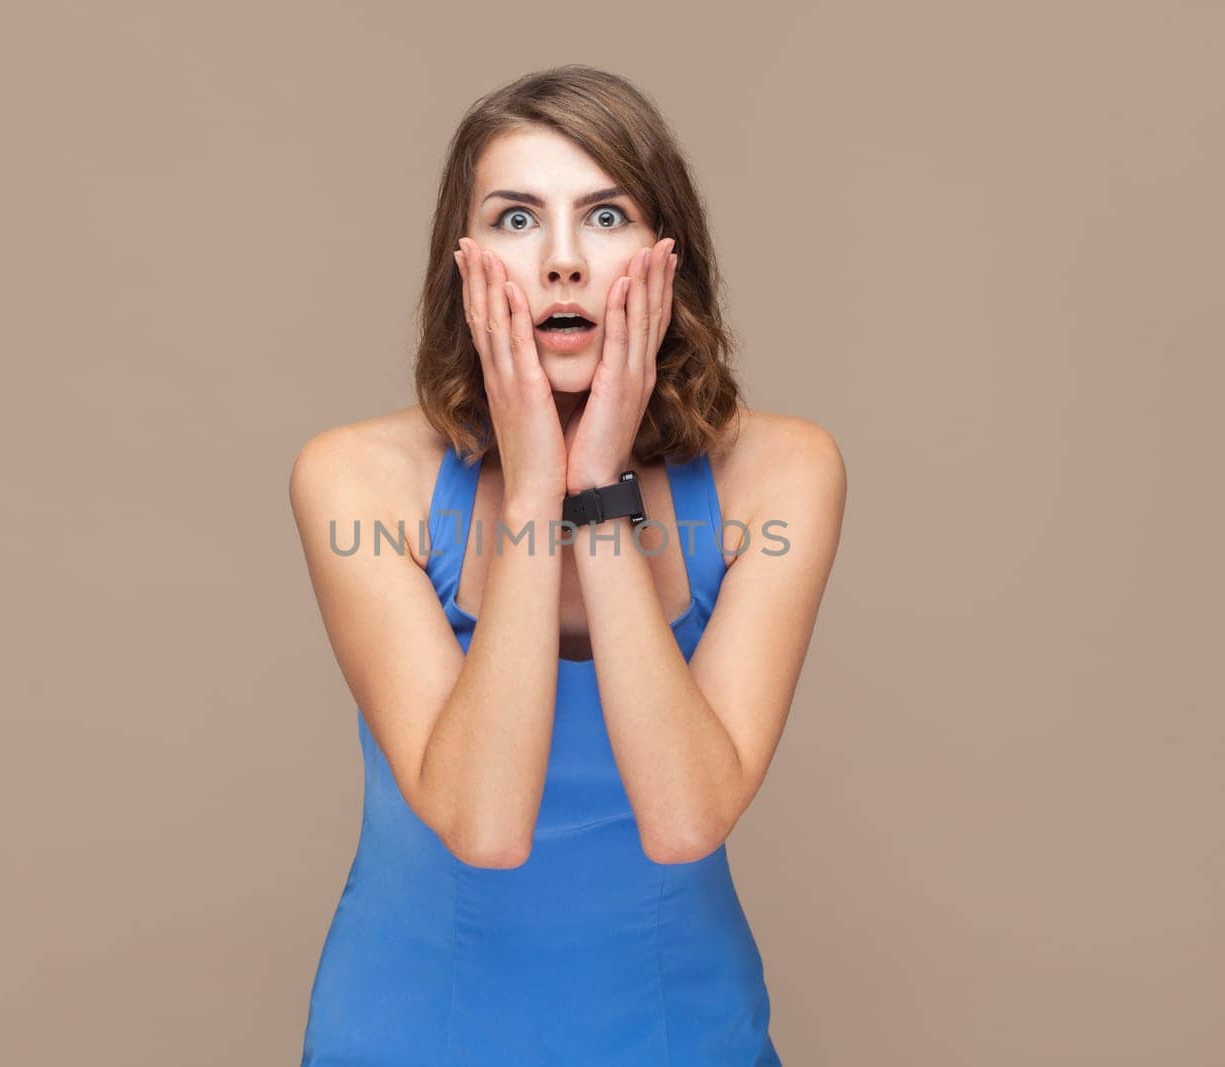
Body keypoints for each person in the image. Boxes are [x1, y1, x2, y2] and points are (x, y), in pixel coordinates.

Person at [289, 63, 845, 1066]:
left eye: (603, 215)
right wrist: (538, 486)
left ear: (667, 255)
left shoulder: (781, 472)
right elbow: (484, 823)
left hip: (684, 1035)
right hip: (415, 1034)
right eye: (514, 219)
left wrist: (598, 486)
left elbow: (685, 817)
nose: (559, 262)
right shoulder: (356, 479)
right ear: (461, 266)